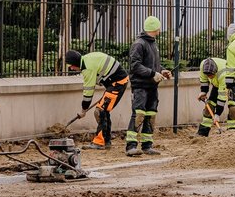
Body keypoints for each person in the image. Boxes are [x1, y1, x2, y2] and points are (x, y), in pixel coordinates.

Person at [65, 49, 129, 150]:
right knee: (104, 111)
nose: (71, 68)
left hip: (117, 84)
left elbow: (88, 92)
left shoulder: (87, 68)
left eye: (71, 65)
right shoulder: (86, 59)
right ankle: (106, 141)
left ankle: (100, 142)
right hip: (114, 83)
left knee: (100, 111)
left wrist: (83, 110)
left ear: (75, 63)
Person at [125, 16, 170, 156]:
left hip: (152, 86)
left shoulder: (152, 43)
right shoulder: (139, 44)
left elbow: (151, 64)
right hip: (141, 86)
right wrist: (152, 74)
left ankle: (147, 145)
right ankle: (131, 146)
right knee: (139, 114)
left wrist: (161, 70)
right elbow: (135, 65)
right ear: (156, 28)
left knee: (151, 115)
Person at [196, 57, 233, 137]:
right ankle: (202, 133)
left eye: (211, 75)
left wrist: (217, 114)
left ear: (215, 72)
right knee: (210, 105)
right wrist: (204, 92)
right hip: (217, 84)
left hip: (233, 82)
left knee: (233, 106)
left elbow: (222, 97)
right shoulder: (203, 66)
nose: (209, 77)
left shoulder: (223, 74)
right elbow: (203, 79)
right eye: (208, 75)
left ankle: (233, 133)